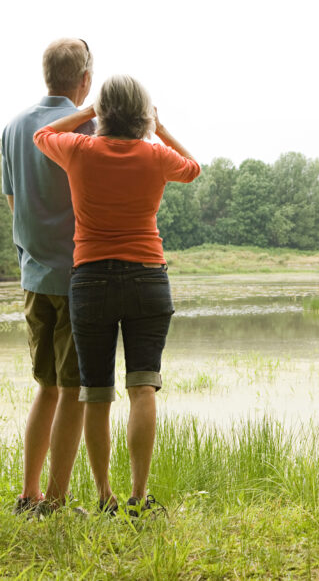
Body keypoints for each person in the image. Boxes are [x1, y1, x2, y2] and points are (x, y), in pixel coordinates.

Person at [33, 75, 200, 515]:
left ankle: (104, 495)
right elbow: (193, 167)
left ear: (104, 113)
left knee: (96, 392)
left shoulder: (80, 150)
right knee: (143, 388)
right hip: (147, 277)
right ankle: (139, 497)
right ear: (143, 114)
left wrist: (88, 112)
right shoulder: (155, 155)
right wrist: (159, 129)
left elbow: (42, 135)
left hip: (90, 281)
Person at [1, 38, 95, 515]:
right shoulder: (91, 127)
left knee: (46, 386)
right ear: (85, 80)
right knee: (75, 390)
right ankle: (55, 502)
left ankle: (29, 493)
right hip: (78, 277)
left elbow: (15, 204)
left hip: (33, 276)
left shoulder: (14, 127)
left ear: (46, 76)